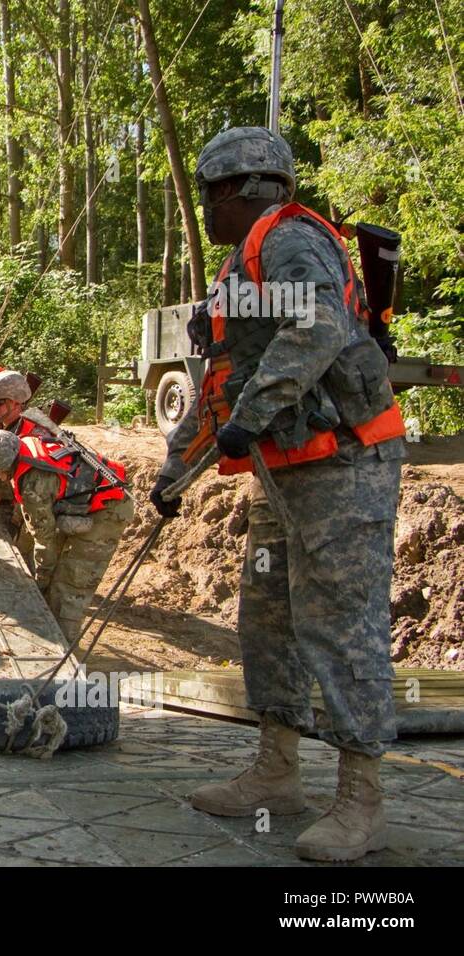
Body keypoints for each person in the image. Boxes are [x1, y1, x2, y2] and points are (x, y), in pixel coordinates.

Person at [148, 126, 407, 862]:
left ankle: (361, 800)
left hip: (344, 466)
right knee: (268, 616)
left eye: (207, 193)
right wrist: (174, 474)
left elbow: (317, 325)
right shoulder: (239, 265)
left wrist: (253, 416)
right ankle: (277, 770)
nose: (203, 207)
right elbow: (218, 386)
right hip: (284, 467)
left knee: (340, 621)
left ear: (239, 188)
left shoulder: (290, 240)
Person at [0, 430, 132, 643]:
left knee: (70, 584)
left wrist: (38, 584)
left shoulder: (32, 483)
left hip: (108, 510)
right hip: (86, 502)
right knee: (55, 573)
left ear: (4, 466)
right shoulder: (23, 446)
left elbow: (44, 541)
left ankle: (63, 652)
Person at [0, 369, 50, 511]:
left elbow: (38, 485)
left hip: (26, 503)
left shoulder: (35, 434)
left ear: (15, 403)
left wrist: (16, 510)